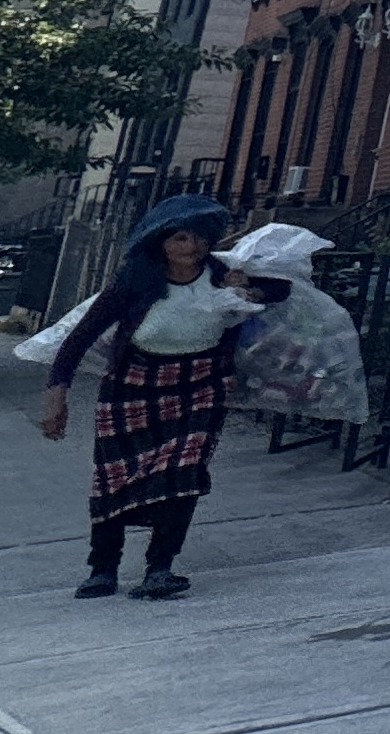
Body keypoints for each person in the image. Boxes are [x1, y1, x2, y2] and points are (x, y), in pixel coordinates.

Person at [40, 193, 260, 601]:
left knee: (184, 473)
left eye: (199, 237)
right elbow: (79, 338)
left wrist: (251, 289)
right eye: (180, 238)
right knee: (115, 479)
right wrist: (57, 396)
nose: (192, 246)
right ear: (160, 242)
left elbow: (280, 289)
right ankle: (103, 568)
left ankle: (160, 568)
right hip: (132, 387)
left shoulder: (221, 275)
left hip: (201, 386)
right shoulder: (136, 282)